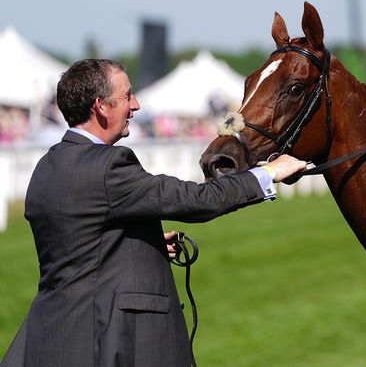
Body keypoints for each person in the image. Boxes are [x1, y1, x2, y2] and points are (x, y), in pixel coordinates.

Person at [1, 59, 307, 367]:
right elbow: (197, 199)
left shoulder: (47, 166)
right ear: (101, 107)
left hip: (49, 338)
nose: (135, 105)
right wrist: (267, 172)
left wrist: (142, 243)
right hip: (104, 341)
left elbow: (76, 241)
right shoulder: (109, 165)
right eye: (127, 96)